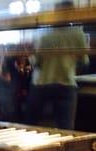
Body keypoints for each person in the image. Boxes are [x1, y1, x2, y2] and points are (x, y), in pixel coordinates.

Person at [26, 1, 89, 130]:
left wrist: (29, 55)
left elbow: (36, 62)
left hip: (41, 84)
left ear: (55, 13)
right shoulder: (77, 34)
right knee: (66, 129)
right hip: (66, 85)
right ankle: (65, 150)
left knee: (32, 126)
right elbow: (84, 61)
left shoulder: (43, 33)